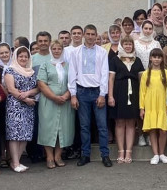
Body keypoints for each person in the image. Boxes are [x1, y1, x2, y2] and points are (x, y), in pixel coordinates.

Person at [68, 24, 113, 167]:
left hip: (97, 92)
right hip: (82, 92)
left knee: (102, 126)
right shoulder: (75, 52)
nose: (90, 37)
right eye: (88, 34)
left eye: (93, 34)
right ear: (83, 35)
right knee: (84, 126)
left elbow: (105, 74)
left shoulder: (102, 52)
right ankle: (85, 155)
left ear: (96, 36)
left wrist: (102, 94)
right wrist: (73, 95)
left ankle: (105, 155)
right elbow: (72, 74)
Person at [35, 41, 73, 169]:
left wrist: (66, 96)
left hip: (65, 102)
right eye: (54, 49)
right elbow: (41, 84)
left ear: (63, 50)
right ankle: (49, 156)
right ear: (51, 50)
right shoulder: (45, 65)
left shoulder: (68, 65)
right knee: (48, 128)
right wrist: (54, 97)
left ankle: (58, 156)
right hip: (49, 101)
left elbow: (72, 82)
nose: (57, 51)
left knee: (63, 128)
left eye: (59, 49)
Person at [108, 37, 144, 163]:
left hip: (134, 93)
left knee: (130, 123)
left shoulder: (137, 60)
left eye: (130, 44)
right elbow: (111, 79)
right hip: (119, 92)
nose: (128, 46)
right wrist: (111, 96)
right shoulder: (115, 59)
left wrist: (142, 100)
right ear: (122, 46)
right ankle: (120, 151)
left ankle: (128, 151)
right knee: (119, 122)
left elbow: (141, 81)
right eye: (125, 44)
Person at [4, 46, 39, 172]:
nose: (23, 59)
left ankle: (16, 162)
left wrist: (28, 93)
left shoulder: (32, 72)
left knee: (25, 134)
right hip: (15, 106)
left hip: (28, 107)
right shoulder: (10, 70)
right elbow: (11, 89)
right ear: (16, 57)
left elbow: (37, 88)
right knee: (15, 135)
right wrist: (25, 99)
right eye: (21, 56)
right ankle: (15, 162)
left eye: (26, 56)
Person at [139, 48, 167, 164]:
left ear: (162, 59)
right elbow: (142, 91)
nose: (156, 59)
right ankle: (155, 154)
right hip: (150, 104)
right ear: (150, 58)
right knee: (152, 129)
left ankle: (162, 153)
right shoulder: (146, 73)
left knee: (163, 130)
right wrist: (142, 108)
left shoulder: (166, 73)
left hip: (162, 104)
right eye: (154, 57)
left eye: (159, 57)